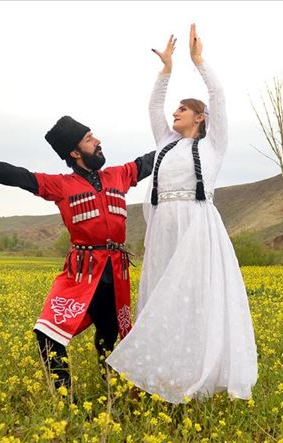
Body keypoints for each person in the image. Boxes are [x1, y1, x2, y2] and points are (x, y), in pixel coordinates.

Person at [107, 24, 258, 404]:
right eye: (176, 108)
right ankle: (164, 374)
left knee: (194, 298)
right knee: (161, 297)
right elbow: (153, 108)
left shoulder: (214, 147)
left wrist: (199, 62)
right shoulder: (164, 143)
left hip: (196, 228)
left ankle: (199, 378)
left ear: (199, 118)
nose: (175, 112)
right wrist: (167, 71)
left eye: (183, 108)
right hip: (163, 230)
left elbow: (220, 99)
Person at [0, 119, 155, 393]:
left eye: (94, 136)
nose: (97, 141)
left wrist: (185, 137)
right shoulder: (60, 185)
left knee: (108, 335)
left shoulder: (118, 175)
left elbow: (150, 160)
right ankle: (64, 397)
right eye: (89, 139)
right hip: (81, 273)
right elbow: (15, 175)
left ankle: (112, 392)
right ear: (75, 152)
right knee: (46, 334)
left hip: (114, 274)